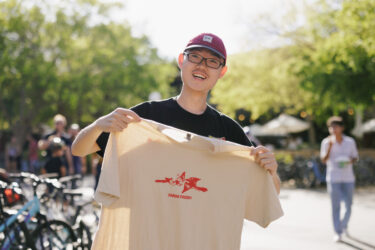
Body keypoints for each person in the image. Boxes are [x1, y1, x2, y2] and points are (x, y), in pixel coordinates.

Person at [72, 32, 280, 192]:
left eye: (212, 61)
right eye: (195, 57)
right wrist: (98, 125)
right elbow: (79, 150)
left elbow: (269, 191)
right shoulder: (145, 116)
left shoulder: (228, 129)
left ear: (222, 71)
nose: (202, 66)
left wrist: (272, 171)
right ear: (182, 60)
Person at [320, 116, 359, 242]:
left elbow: (355, 157)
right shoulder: (326, 142)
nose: (333, 129)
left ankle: (343, 225)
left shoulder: (350, 142)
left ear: (342, 128)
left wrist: (348, 161)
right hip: (333, 177)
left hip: (348, 178)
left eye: (336, 127)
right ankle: (338, 232)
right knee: (335, 206)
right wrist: (330, 147)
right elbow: (323, 160)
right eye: (331, 127)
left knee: (349, 205)